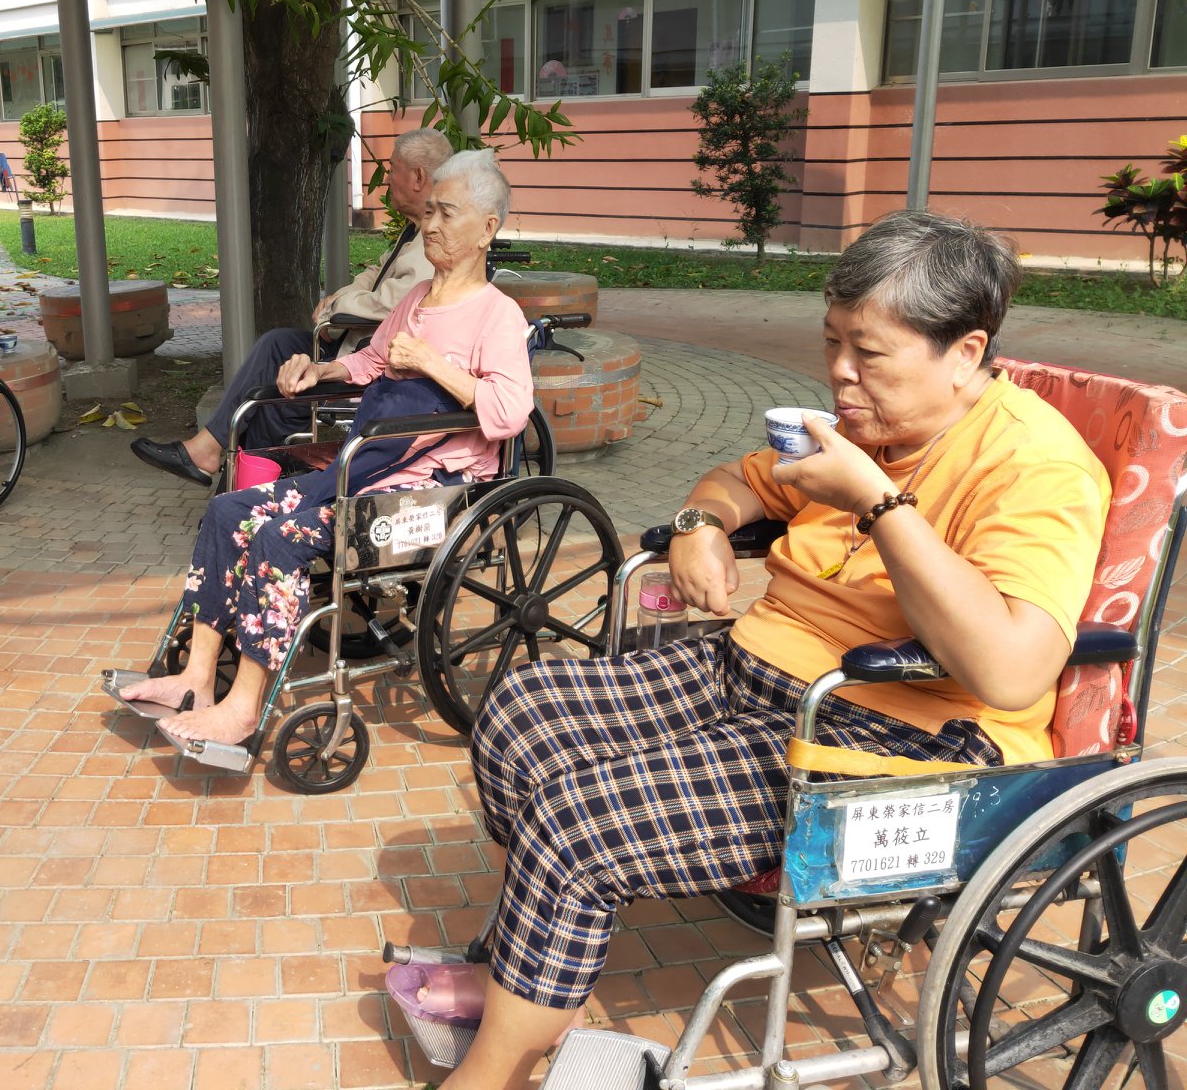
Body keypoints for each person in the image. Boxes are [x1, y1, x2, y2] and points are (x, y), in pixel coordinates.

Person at [437, 212, 1111, 1090]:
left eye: (869, 354)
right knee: (523, 713)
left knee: (579, 823)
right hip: (756, 671)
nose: (839, 373)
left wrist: (875, 502)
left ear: (964, 351)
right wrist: (699, 526)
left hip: (892, 734)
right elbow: (736, 482)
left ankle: (490, 1071)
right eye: (833, 343)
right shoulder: (862, 428)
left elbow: (1013, 669)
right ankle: (528, 962)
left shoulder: (1035, 466)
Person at [118, 149, 534, 746]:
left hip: (427, 491)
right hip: (366, 466)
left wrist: (434, 365)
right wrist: (321, 371)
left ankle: (242, 707)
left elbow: (509, 411)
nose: (430, 225)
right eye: (430, 212)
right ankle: (195, 677)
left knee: (276, 538)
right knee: (226, 510)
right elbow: (369, 360)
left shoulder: (497, 315)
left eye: (446, 213)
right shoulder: (417, 299)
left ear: (487, 229)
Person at [131, 126, 454, 485]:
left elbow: (388, 304)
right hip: (350, 346)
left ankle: (227, 485)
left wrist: (334, 309)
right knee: (278, 343)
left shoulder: (432, 242)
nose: (387, 178)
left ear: (418, 177)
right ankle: (210, 458)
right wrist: (336, 300)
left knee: (272, 407)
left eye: (393, 169)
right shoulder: (414, 231)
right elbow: (371, 275)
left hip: (368, 362)